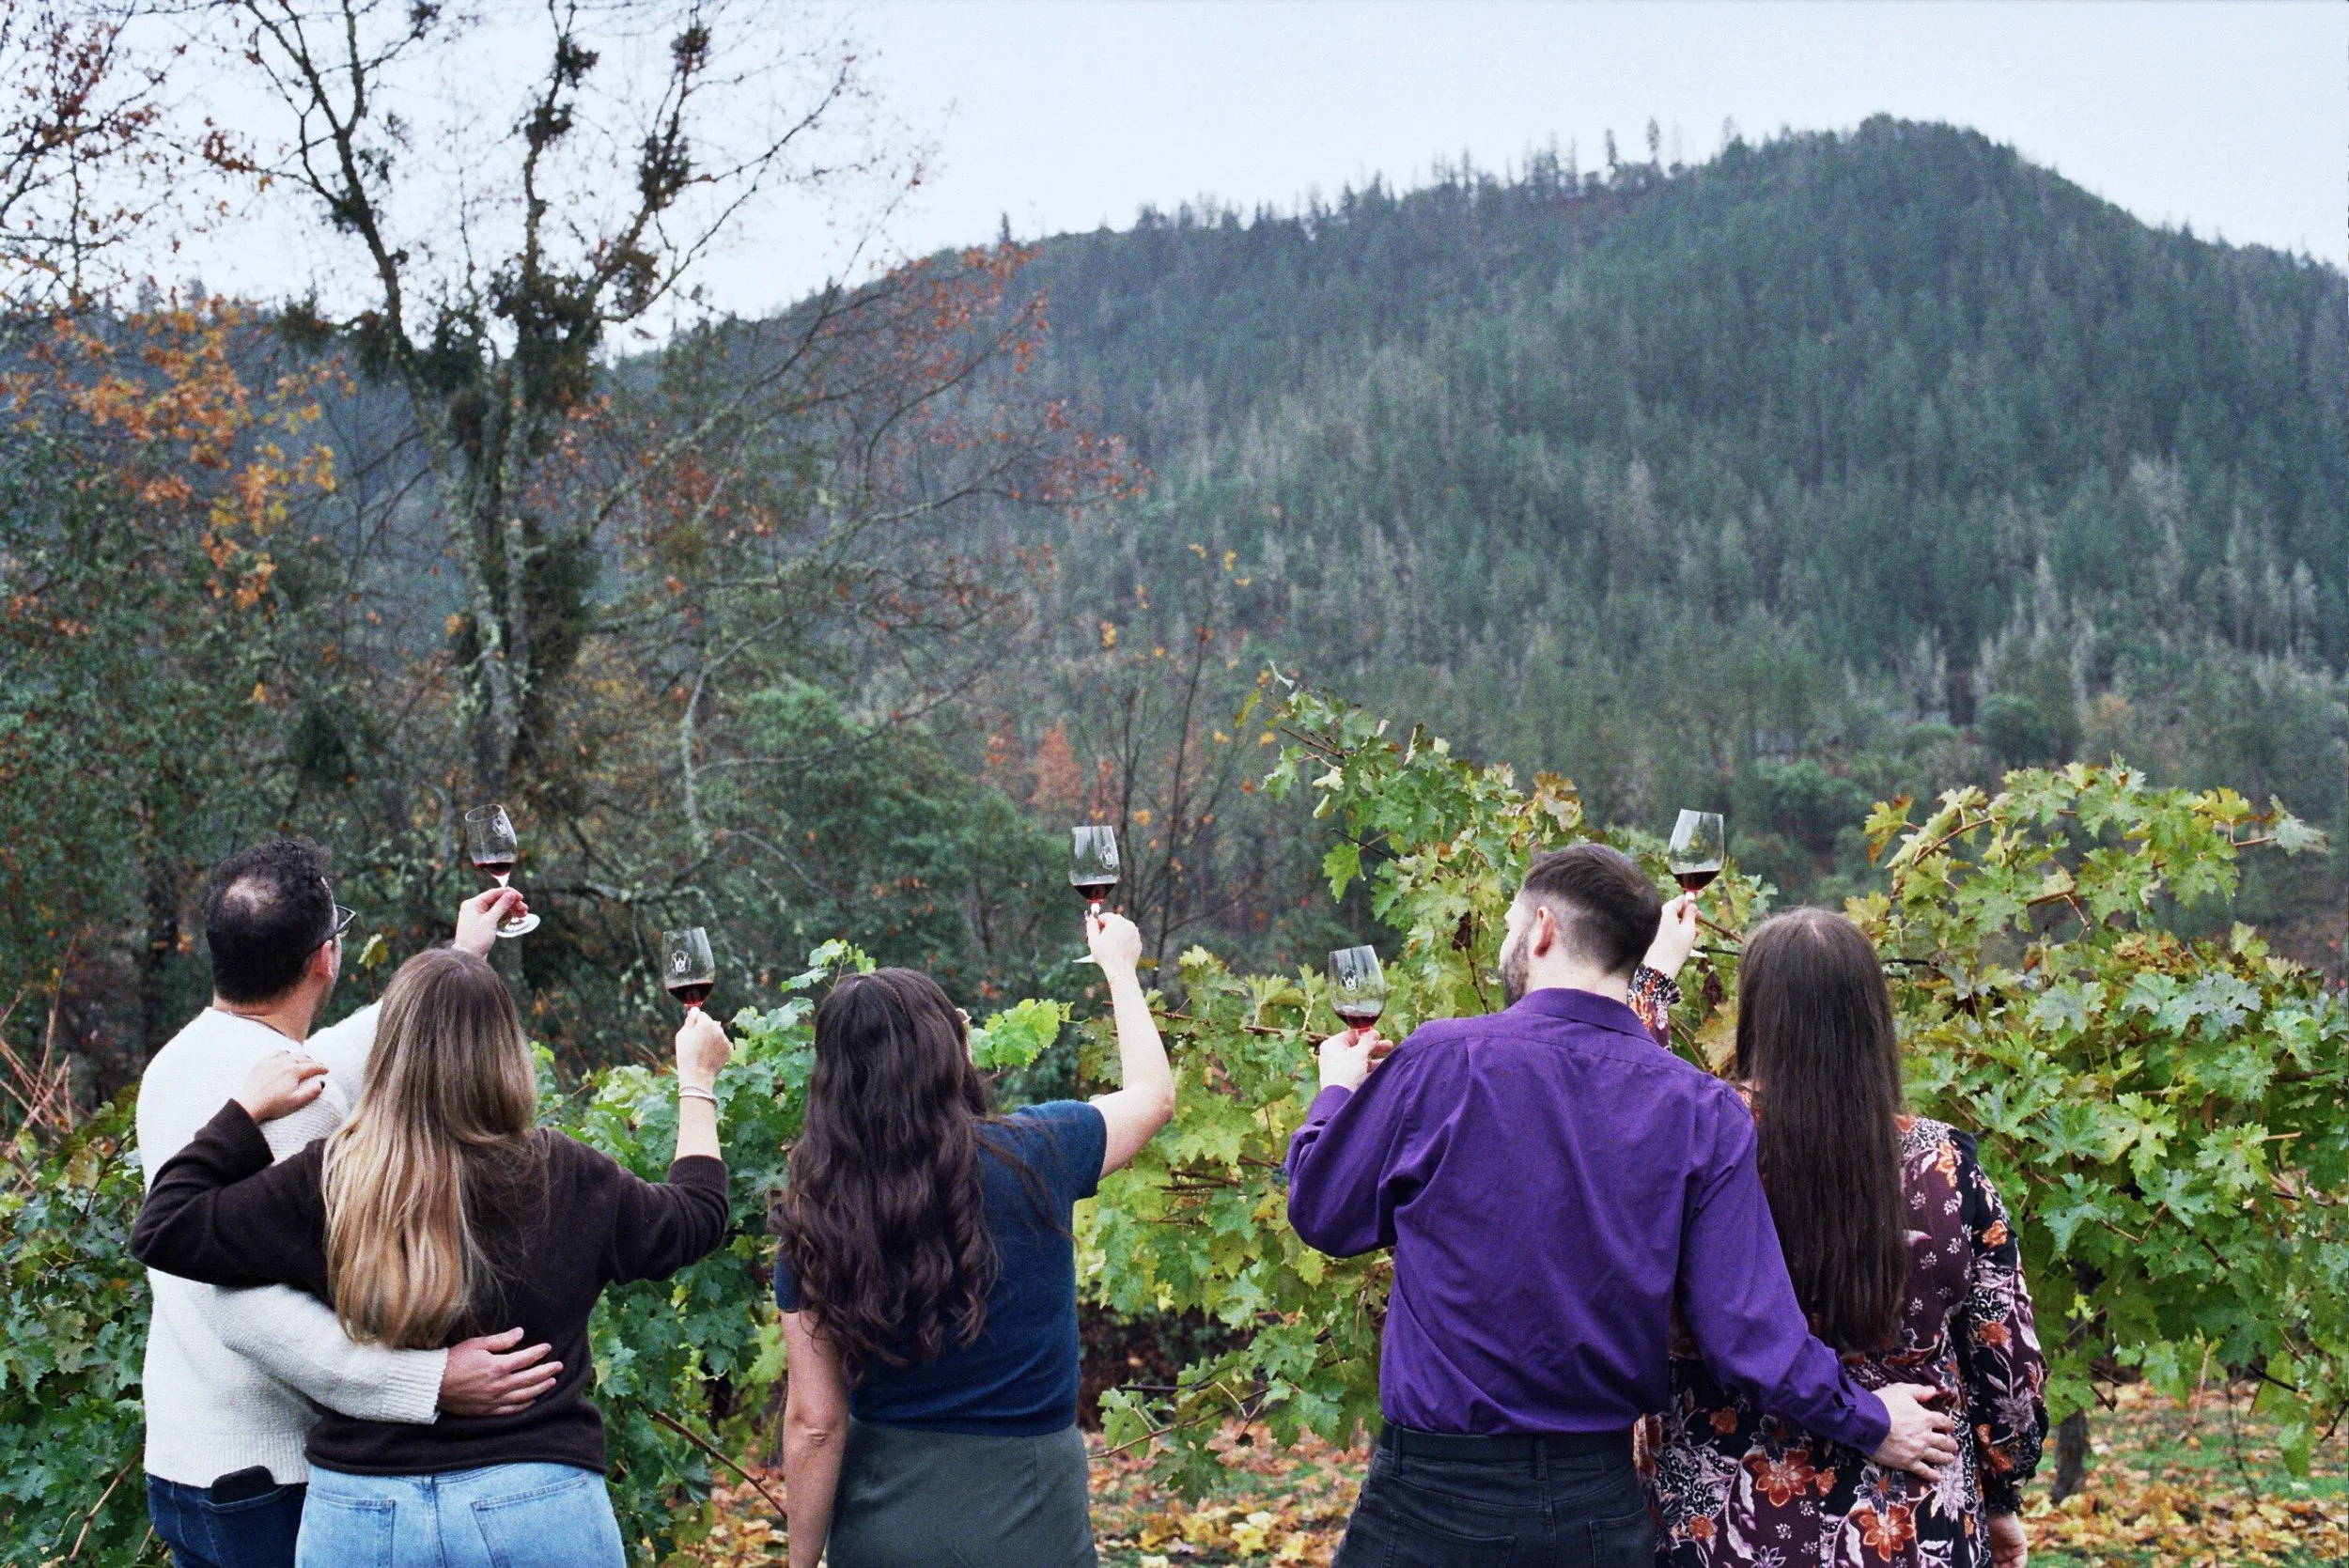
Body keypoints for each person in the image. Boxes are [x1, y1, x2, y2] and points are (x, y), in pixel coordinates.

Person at [1286, 844, 1958, 1568]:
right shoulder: (1702, 1110)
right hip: (1597, 1507)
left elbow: (1325, 1211)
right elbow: (1748, 1334)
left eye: (1513, 926)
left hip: (1432, 1501)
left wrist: (1337, 1093)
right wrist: (1865, 1417)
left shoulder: (1443, 1059)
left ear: (1542, 928)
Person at [131, 943, 736, 1568]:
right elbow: (696, 1215)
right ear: (506, 1050)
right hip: (535, 1503)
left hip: (361, 1518)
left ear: (390, 1051)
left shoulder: (333, 1178)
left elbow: (165, 1225)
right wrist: (697, 1081)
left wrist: (243, 1112)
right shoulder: (564, 1174)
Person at [137, 839, 564, 1568]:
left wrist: (459, 958)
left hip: (185, 1463)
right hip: (270, 1483)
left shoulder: (179, 1061)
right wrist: (428, 1382)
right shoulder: (298, 1109)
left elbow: (334, 1049)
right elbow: (244, 1310)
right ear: (324, 958)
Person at [1643, 908, 2047, 1568]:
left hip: (1723, 1527)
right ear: (1871, 1018)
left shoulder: (1707, 1140)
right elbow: (2008, 1370)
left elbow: (1617, 1095)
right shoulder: (1944, 1165)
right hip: (1911, 1528)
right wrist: (2000, 1495)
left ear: (1756, 1014)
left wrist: (1653, 983)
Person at [772, 910, 1175, 1568]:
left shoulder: (816, 1215)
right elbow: (1154, 1096)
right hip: (1033, 1525)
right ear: (948, 1053)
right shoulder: (1040, 1150)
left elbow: (815, 1422)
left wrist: (801, 1560)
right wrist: (1119, 968)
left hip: (888, 1528)